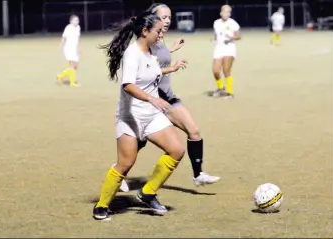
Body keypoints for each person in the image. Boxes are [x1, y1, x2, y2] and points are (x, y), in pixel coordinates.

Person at [118, 3, 220, 193]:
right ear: (153, 19)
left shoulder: (160, 39)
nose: (167, 21)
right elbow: (149, 68)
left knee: (194, 131)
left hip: (168, 97)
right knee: (138, 142)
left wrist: (170, 51)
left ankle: (198, 175)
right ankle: (120, 174)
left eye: (169, 17)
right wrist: (171, 67)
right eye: (163, 17)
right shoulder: (147, 40)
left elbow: (158, 59)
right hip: (154, 100)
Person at [93, 11, 186, 221]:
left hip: (152, 116)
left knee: (177, 150)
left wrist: (171, 68)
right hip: (131, 116)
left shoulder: (150, 51)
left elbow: (152, 72)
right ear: (144, 31)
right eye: (158, 31)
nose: (161, 34)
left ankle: (148, 192)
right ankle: (101, 205)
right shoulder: (132, 53)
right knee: (125, 164)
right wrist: (152, 99)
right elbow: (128, 85)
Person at [212, 5, 241, 98]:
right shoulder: (216, 23)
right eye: (224, 11)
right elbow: (216, 35)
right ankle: (220, 88)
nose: (226, 13)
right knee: (216, 71)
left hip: (229, 49)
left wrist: (231, 37)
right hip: (219, 48)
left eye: (228, 12)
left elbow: (238, 36)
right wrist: (214, 39)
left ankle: (230, 93)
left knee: (226, 70)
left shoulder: (233, 23)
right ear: (221, 13)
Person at [56, 14, 81, 87]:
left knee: (75, 66)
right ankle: (72, 83)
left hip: (74, 49)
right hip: (69, 49)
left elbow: (77, 38)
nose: (77, 21)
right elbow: (63, 37)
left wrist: (79, 48)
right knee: (72, 65)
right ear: (71, 21)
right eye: (75, 20)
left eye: (77, 20)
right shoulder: (68, 28)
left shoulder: (78, 27)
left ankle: (60, 76)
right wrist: (61, 45)